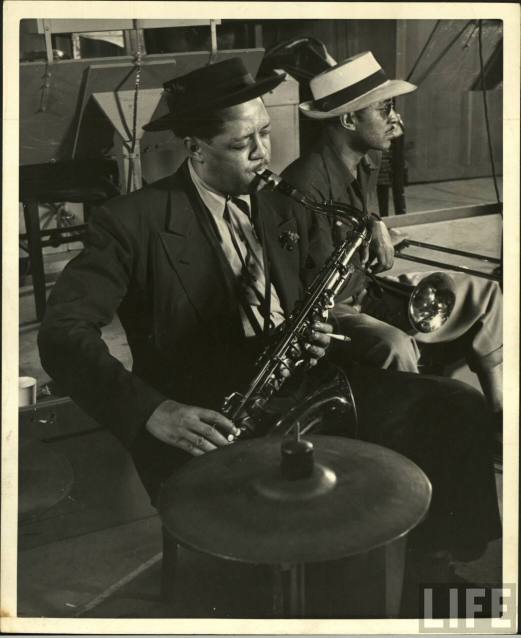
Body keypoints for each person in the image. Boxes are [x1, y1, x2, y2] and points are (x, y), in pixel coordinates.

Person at [38, 57, 500, 566]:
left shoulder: (282, 200)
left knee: (458, 406)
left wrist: (318, 330)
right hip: (210, 417)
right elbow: (62, 333)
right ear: (195, 149)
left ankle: (430, 565)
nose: (263, 155)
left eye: (265, 133)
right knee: (339, 501)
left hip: (303, 388)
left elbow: (308, 293)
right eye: (243, 144)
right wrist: (151, 410)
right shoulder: (130, 221)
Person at [282, 51, 503, 416]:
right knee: (396, 346)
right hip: (332, 309)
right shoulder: (305, 184)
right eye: (385, 109)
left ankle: (498, 412)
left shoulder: (363, 160)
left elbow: (361, 214)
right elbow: (306, 284)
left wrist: (376, 223)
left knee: (487, 293)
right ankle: (412, 432)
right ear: (349, 119)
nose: (397, 119)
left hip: (366, 286)